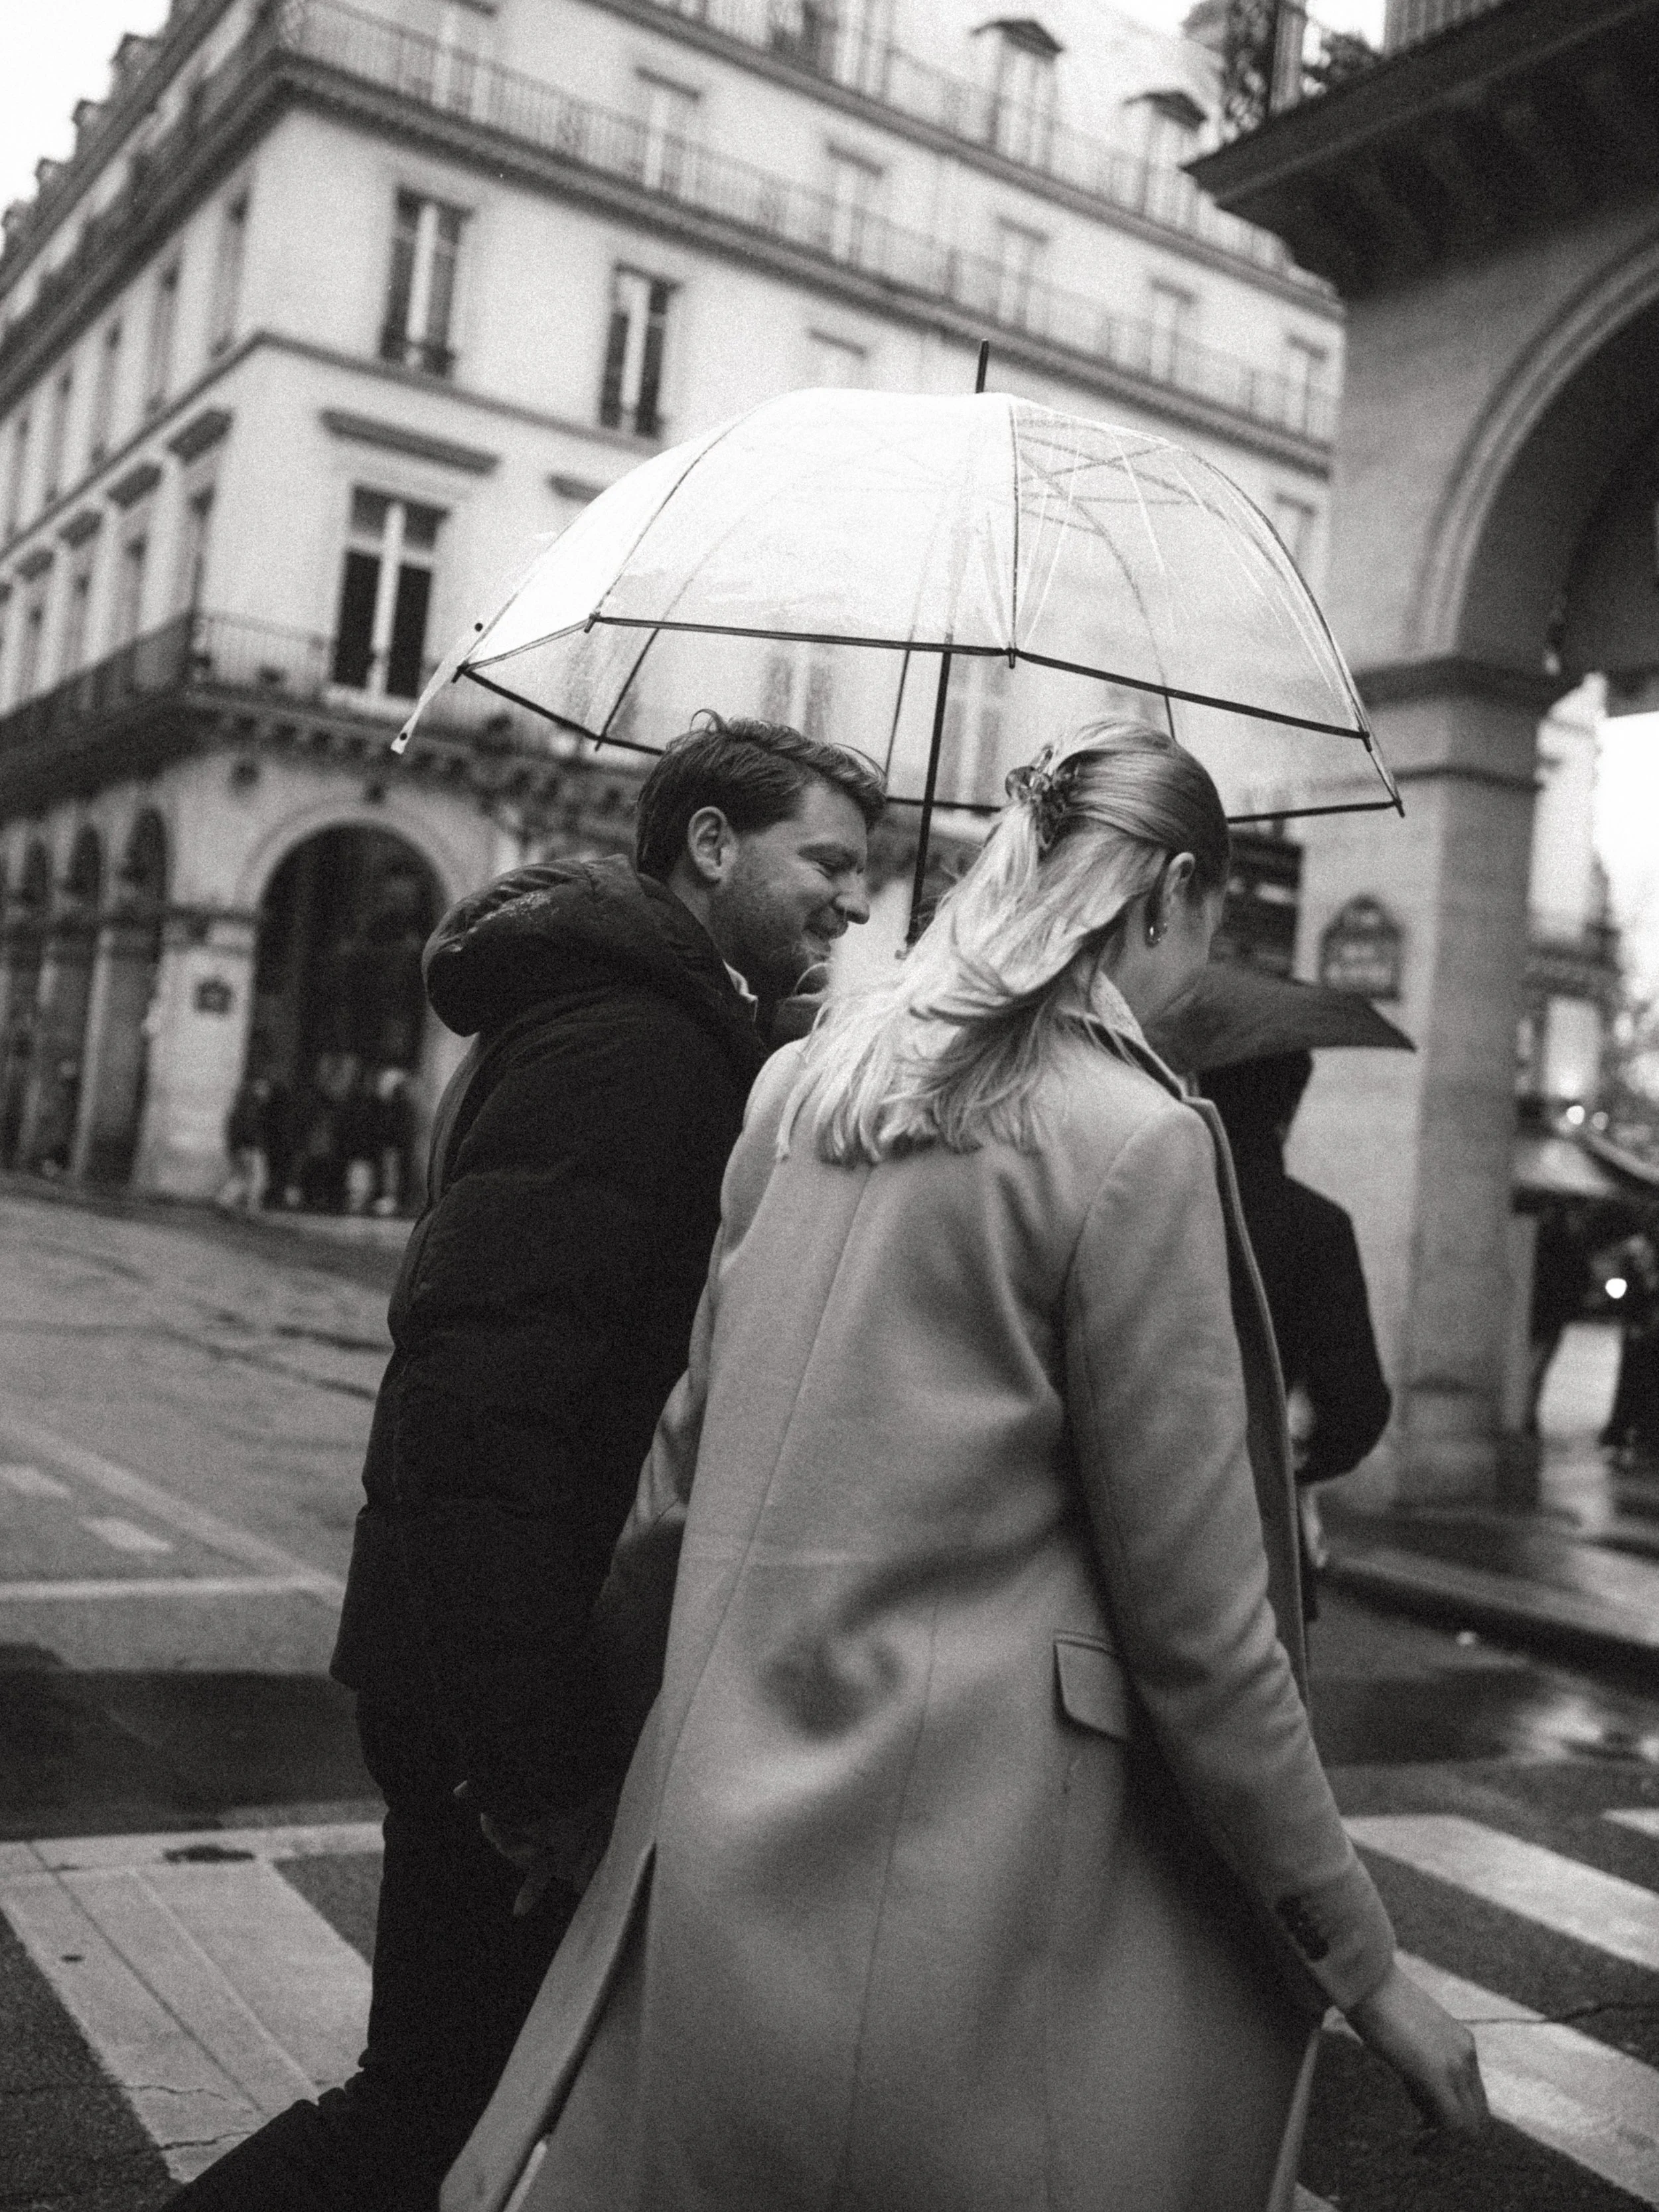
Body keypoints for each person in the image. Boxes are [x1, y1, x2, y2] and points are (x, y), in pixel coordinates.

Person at [449, 721, 1485, 2212]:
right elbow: (1203, 1636)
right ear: (1169, 890)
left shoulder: (800, 1089)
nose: (1201, 965)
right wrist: (1362, 1962)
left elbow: (675, 1484)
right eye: (1212, 924)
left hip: (723, 1843)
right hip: (964, 1901)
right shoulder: (1129, 1140)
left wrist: (577, 1764)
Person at [170, 716, 882, 2212]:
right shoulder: (631, 1047)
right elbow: (487, 1408)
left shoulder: (649, 1030)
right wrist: (530, 1745)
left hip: (492, 1663)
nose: (853, 901)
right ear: (710, 843)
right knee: (423, 2117)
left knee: (477, 2110)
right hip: (494, 1680)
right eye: (827, 859)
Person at [1200, 1049, 1391, 1615]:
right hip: (1260, 1524)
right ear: (1288, 1111)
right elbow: (1354, 1405)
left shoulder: (1150, 1202)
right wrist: (1293, 1460)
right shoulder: (1316, 1227)